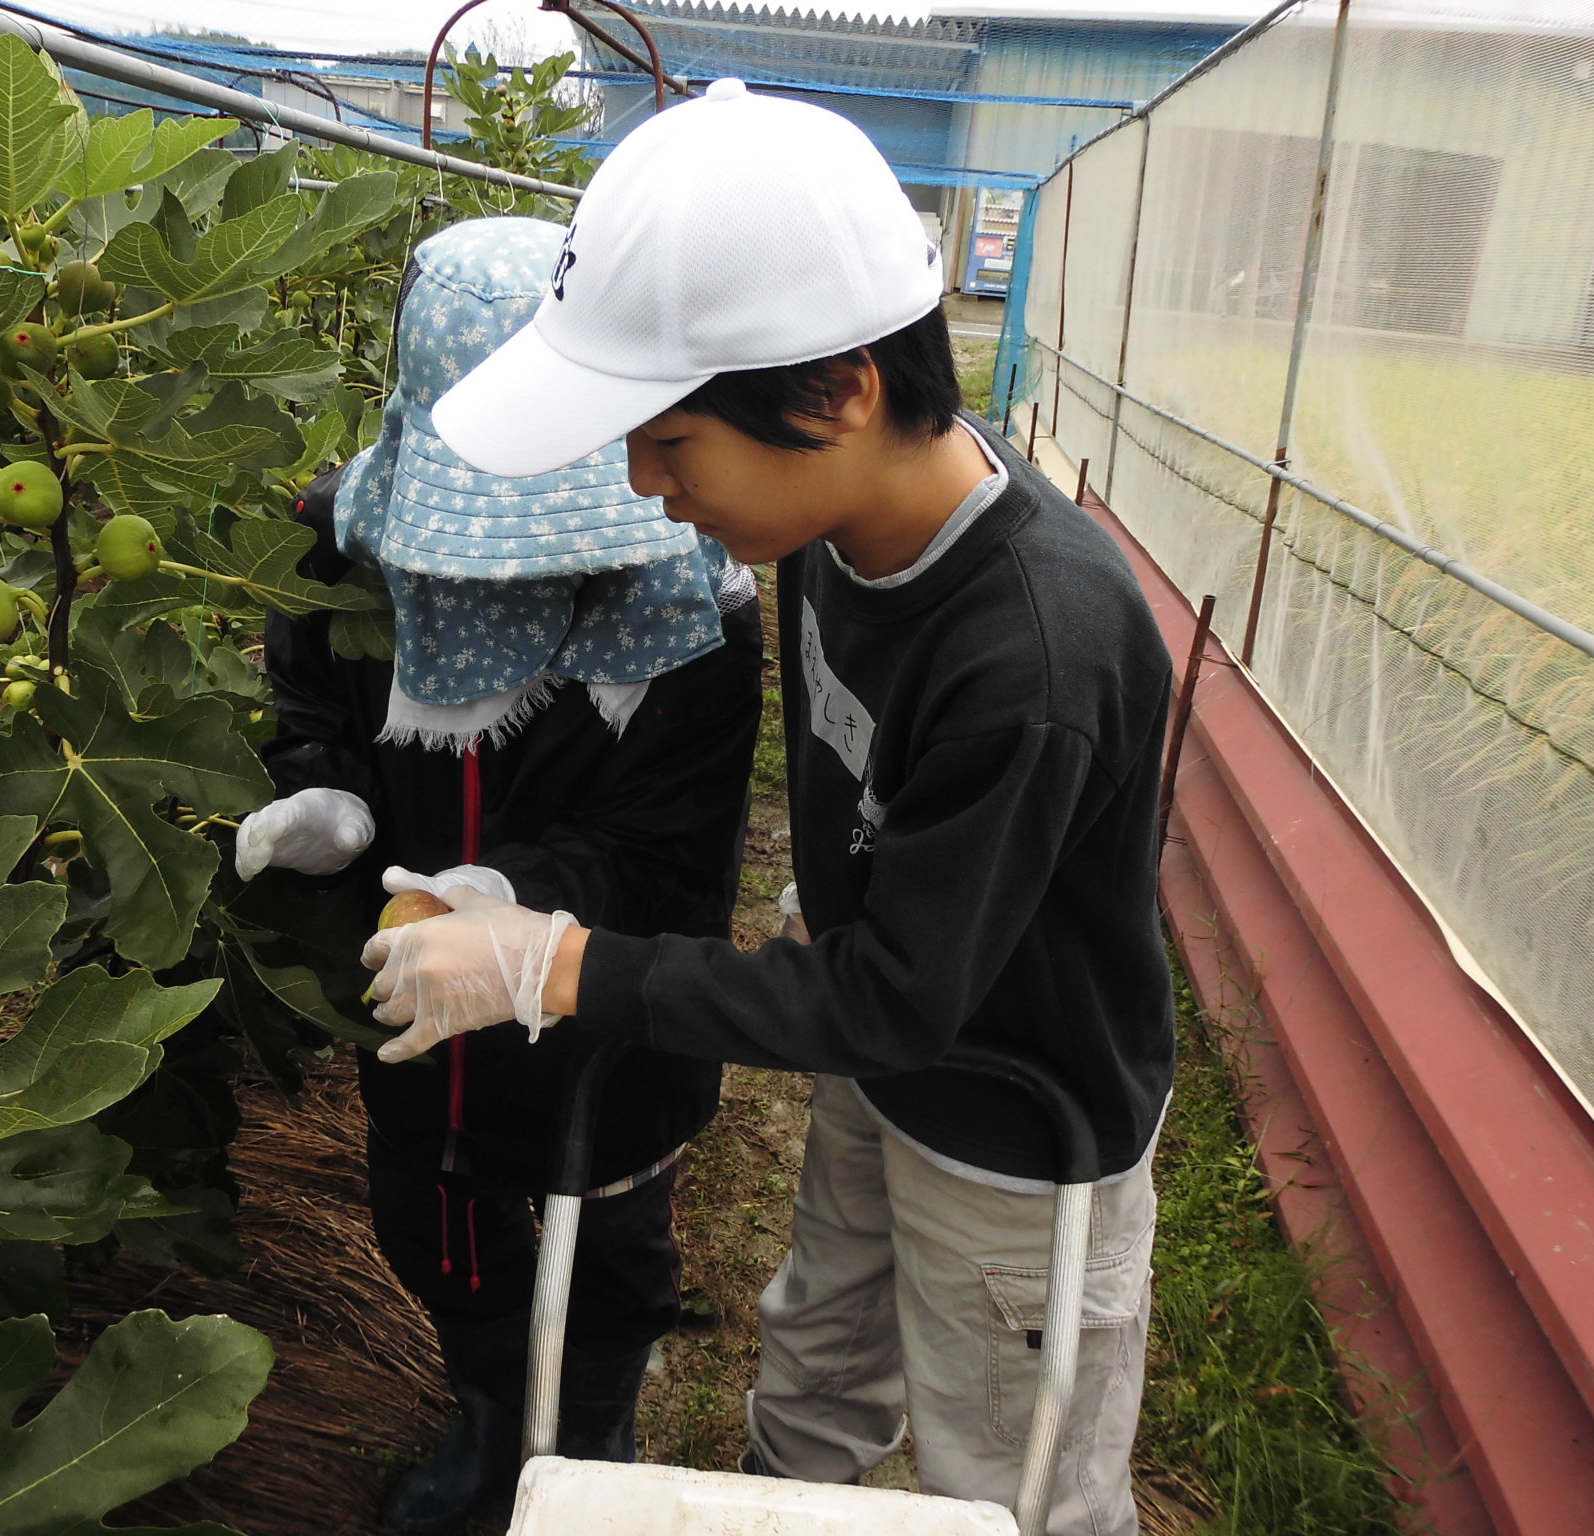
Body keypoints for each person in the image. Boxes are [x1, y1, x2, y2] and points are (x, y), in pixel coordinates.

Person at [362, 83, 1175, 1536]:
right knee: (818, 1347)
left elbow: (901, 999)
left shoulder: (1036, 654)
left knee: (1015, 1471)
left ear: (838, 392)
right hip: (878, 1063)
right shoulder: (832, 527)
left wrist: (560, 966)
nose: (643, 484)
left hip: (1016, 1127)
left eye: (672, 443)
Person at [235, 217, 762, 1532]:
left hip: (605, 1012)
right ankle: (485, 1411)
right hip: (411, 998)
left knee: (608, 1239)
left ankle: (589, 1426)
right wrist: (327, 795)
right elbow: (310, 697)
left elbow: (664, 839)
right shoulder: (338, 543)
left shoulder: (684, 602)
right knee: (438, 1212)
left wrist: (507, 896)